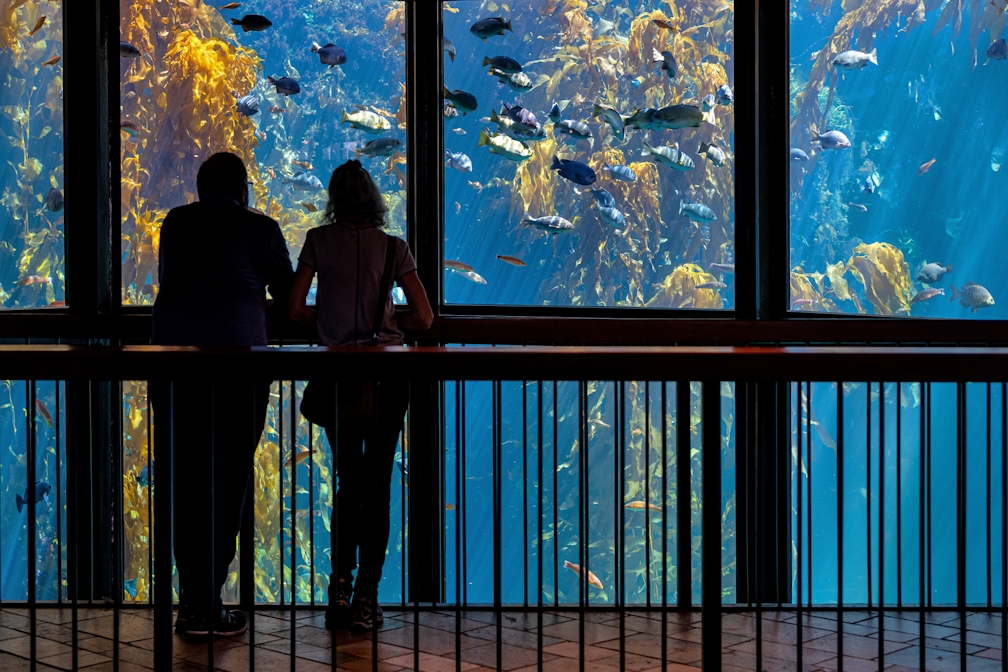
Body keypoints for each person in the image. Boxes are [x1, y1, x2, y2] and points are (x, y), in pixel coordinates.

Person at [151, 152, 294, 641]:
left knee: (184, 480)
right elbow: (289, 297)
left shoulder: (175, 223)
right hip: (238, 371)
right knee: (227, 481)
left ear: (198, 187)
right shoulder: (262, 229)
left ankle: (191, 598)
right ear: (243, 190)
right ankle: (207, 603)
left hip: (173, 370)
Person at [288, 159, 432, 634]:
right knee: (379, 484)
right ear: (372, 199)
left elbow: (294, 307)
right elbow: (425, 317)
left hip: (337, 376)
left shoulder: (317, 241)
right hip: (386, 375)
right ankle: (370, 595)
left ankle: (340, 586)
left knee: (348, 481)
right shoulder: (394, 248)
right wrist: (390, 328)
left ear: (332, 198)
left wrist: (329, 328)